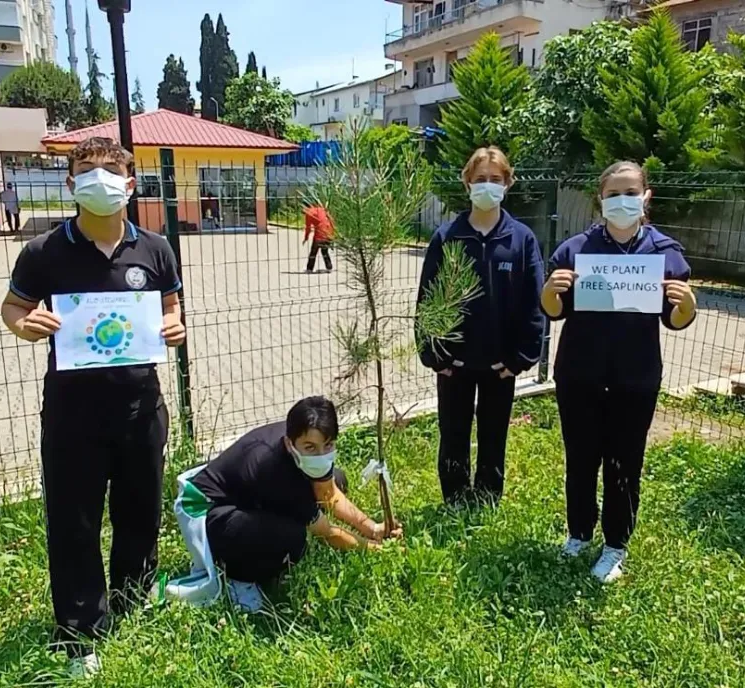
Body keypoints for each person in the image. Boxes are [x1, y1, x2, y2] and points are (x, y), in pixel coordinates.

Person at [0, 137, 187, 678]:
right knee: (74, 522)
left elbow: (170, 306)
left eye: (110, 170)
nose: (98, 178)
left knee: (140, 510)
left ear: (130, 185)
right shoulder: (43, 252)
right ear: (71, 184)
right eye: (86, 170)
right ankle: (80, 633)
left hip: (140, 408)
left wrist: (174, 326)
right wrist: (23, 325)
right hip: (72, 415)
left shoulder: (155, 248)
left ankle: (134, 600)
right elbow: (14, 307)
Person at [541, 160, 696, 583]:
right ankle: (578, 534)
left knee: (625, 463)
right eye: (613, 194)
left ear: (646, 197)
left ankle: (615, 546)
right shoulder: (575, 250)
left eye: (631, 192)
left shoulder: (665, 253)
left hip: (635, 378)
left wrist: (688, 304)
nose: (622, 200)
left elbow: (674, 320)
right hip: (579, 374)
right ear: (600, 199)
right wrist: (550, 292)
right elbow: (554, 313)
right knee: (581, 457)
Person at [164, 396, 401, 613]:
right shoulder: (275, 471)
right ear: (290, 443)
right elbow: (326, 533)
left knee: (336, 478)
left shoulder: (301, 444)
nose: (320, 455)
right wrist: (374, 549)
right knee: (292, 537)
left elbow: (329, 494)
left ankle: (257, 546)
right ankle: (238, 577)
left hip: (247, 497)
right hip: (210, 514)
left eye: (327, 445)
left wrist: (372, 528)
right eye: (310, 448)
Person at [416, 146, 545, 506]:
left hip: (500, 366)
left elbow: (534, 303)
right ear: (467, 183)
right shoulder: (447, 237)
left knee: (493, 433)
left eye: (495, 179)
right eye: (480, 179)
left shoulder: (521, 240)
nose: (487, 186)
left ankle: (488, 498)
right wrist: (434, 355)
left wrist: (520, 359)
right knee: (453, 432)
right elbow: (428, 300)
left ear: (508, 183)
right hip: (453, 365)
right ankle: (455, 499)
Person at [303, 204, 334, 273]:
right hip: (328, 233)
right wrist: (332, 234)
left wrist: (306, 237)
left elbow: (308, 227)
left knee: (313, 252)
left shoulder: (309, 212)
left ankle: (309, 269)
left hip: (319, 235)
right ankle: (329, 267)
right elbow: (331, 220)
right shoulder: (322, 209)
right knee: (324, 251)